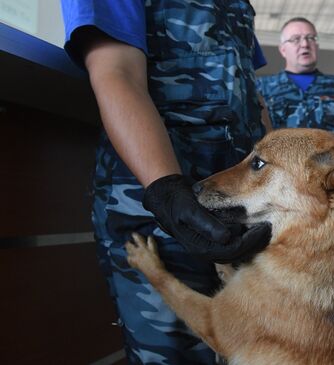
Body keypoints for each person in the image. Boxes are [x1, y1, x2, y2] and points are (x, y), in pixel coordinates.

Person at [61, 1, 271, 364]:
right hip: (160, 204)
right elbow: (117, 72)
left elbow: (252, 95)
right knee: (177, 353)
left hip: (242, 204)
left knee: (261, 346)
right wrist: (167, 193)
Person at [256, 17, 334, 138]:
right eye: (296, 39)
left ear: (317, 46)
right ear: (283, 50)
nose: (305, 44)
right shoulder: (261, 87)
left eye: (311, 38)